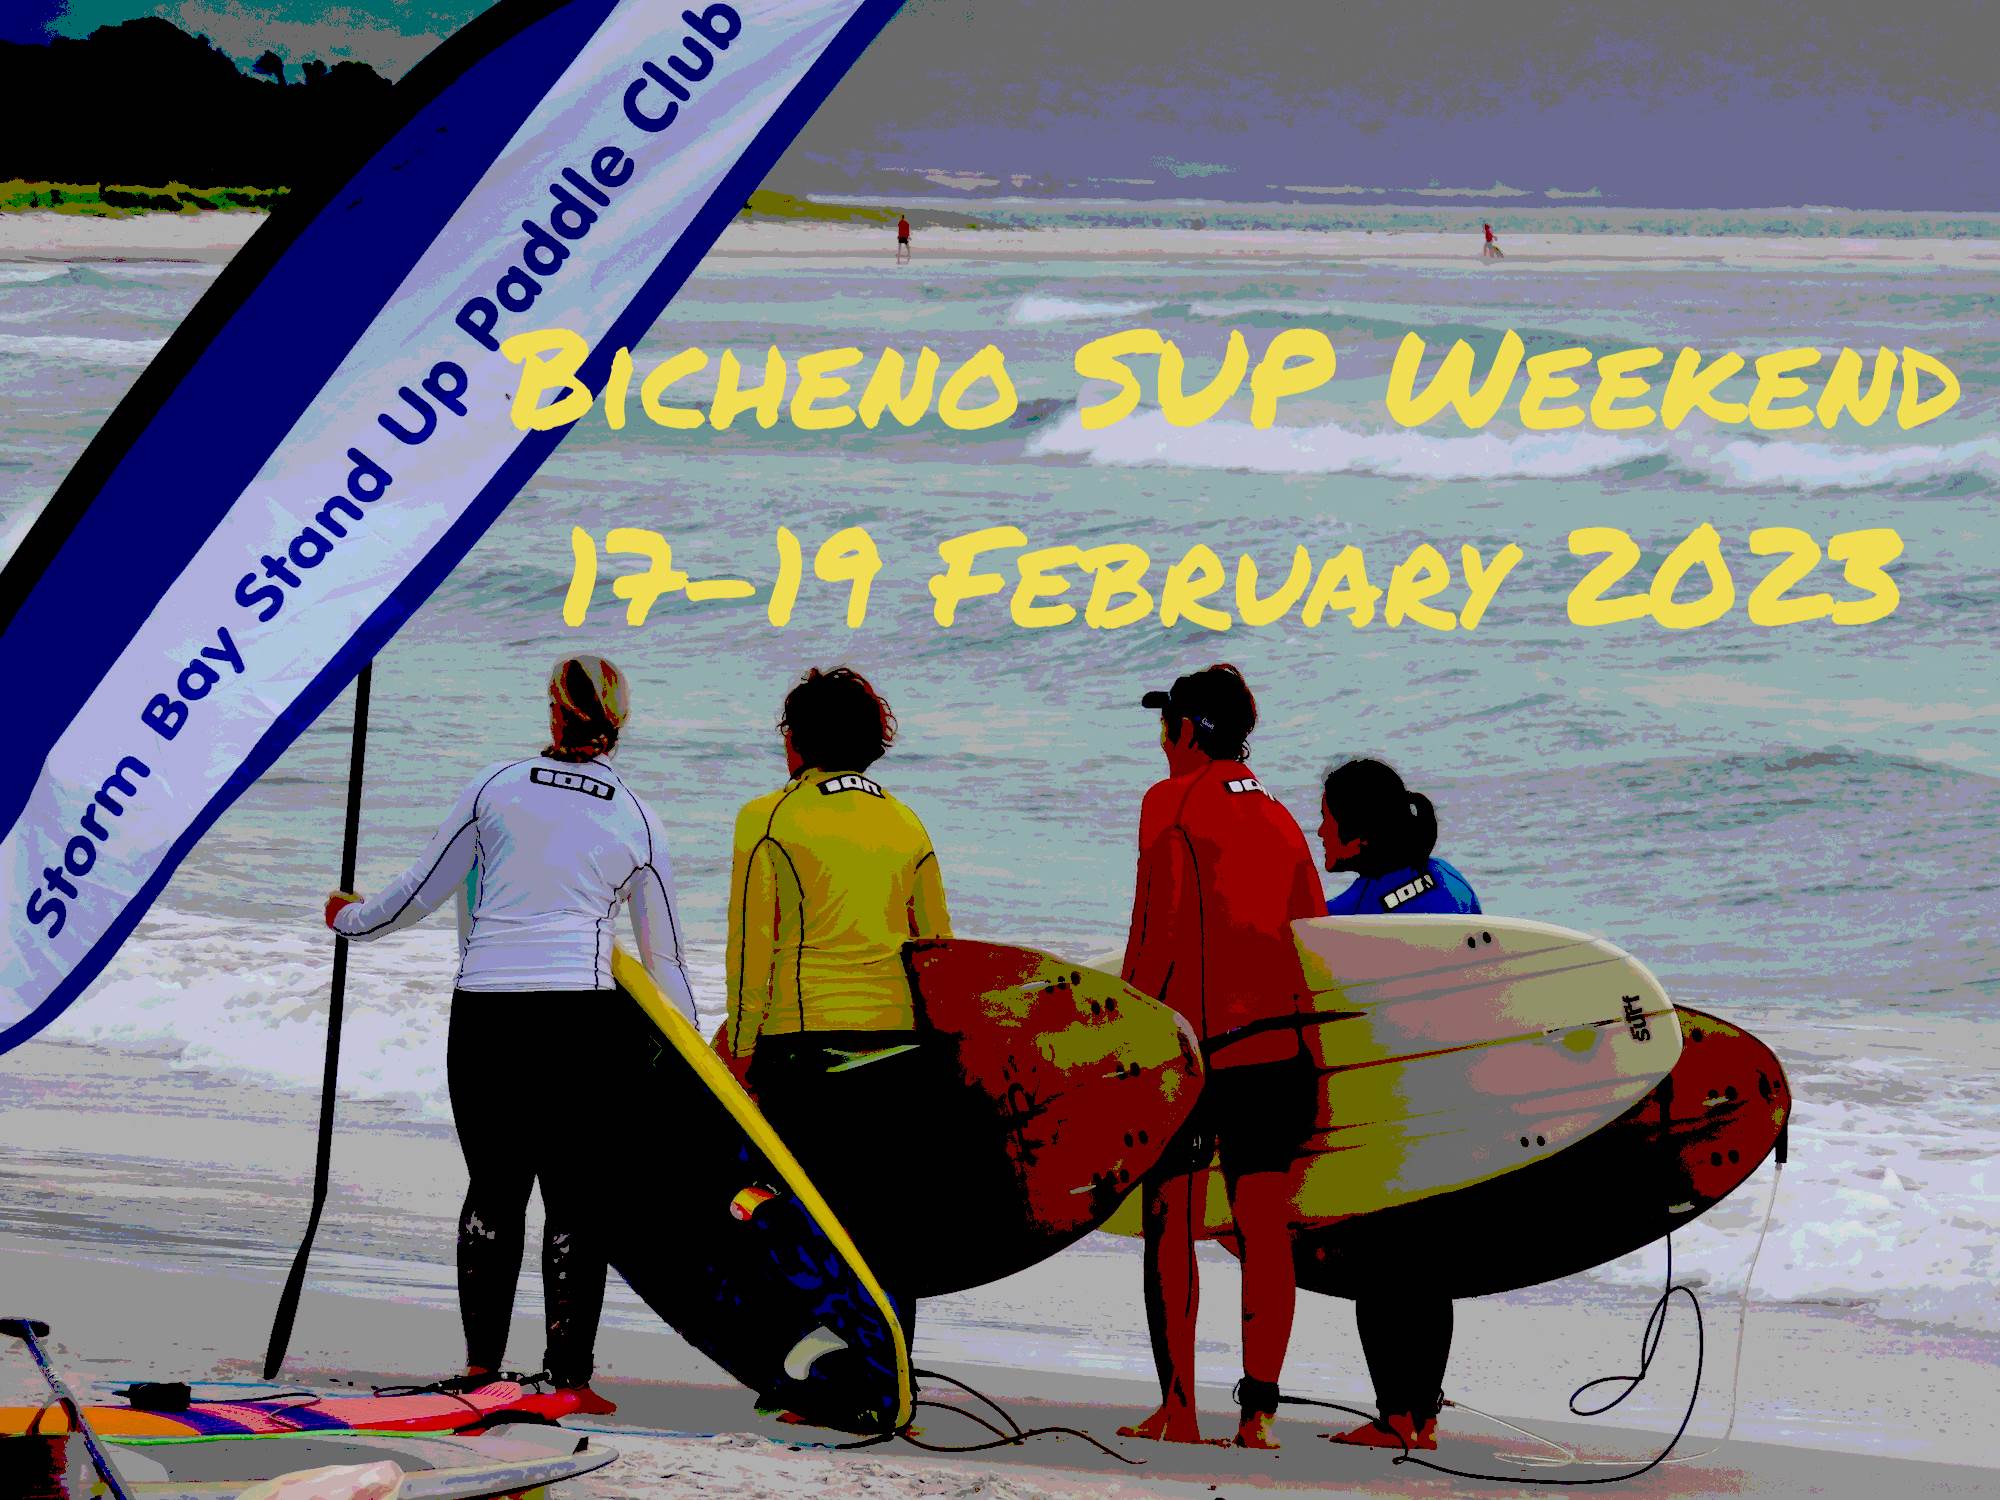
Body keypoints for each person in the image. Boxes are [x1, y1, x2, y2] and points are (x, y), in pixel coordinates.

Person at [326, 656, 695, 1415]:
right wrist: (697, 1066)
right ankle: (569, 1381)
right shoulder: (638, 818)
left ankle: (479, 1371)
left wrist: (349, 920)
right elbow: (666, 964)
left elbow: (418, 893)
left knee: (494, 1189)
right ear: (620, 721)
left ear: (553, 711)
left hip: (489, 1015)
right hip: (581, 1022)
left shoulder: (495, 786)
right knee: (576, 1202)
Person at [1116, 665, 1327, 1450]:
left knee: (1170, 1220)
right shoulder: (1280, 817)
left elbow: (1153, 933)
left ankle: (1178, 1411)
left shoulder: (1169, 802)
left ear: (1188, 730)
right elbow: (1315, 940)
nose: (1160, 740)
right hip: (1281, 1054)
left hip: (1199, 1055)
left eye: (1164, 725)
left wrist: (1128, 1044)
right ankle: (1259, 1416)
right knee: (1263, 1227)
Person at [721, 666, 952, 1345]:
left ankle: (806, 1364)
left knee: (786, 1207)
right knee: (884, 1221)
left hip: (804, 1049)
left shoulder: (768, 817)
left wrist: (740, 1051)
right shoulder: (906, 822)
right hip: (900, 1049)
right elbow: (937, 951)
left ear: (796, 739)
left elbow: (749, 950)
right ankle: (891, 1371)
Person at [1315, 757, 1480, 1453]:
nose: (1319, 832)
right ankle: (1423, 1415)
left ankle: (1395, 1418)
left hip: (1393, 1110)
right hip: (1460, 1102)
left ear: (1359, 836)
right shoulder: (1451, 882)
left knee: (1380, 1264)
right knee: (1428, 1266)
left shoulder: (1353, 913)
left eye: (1326, 820)